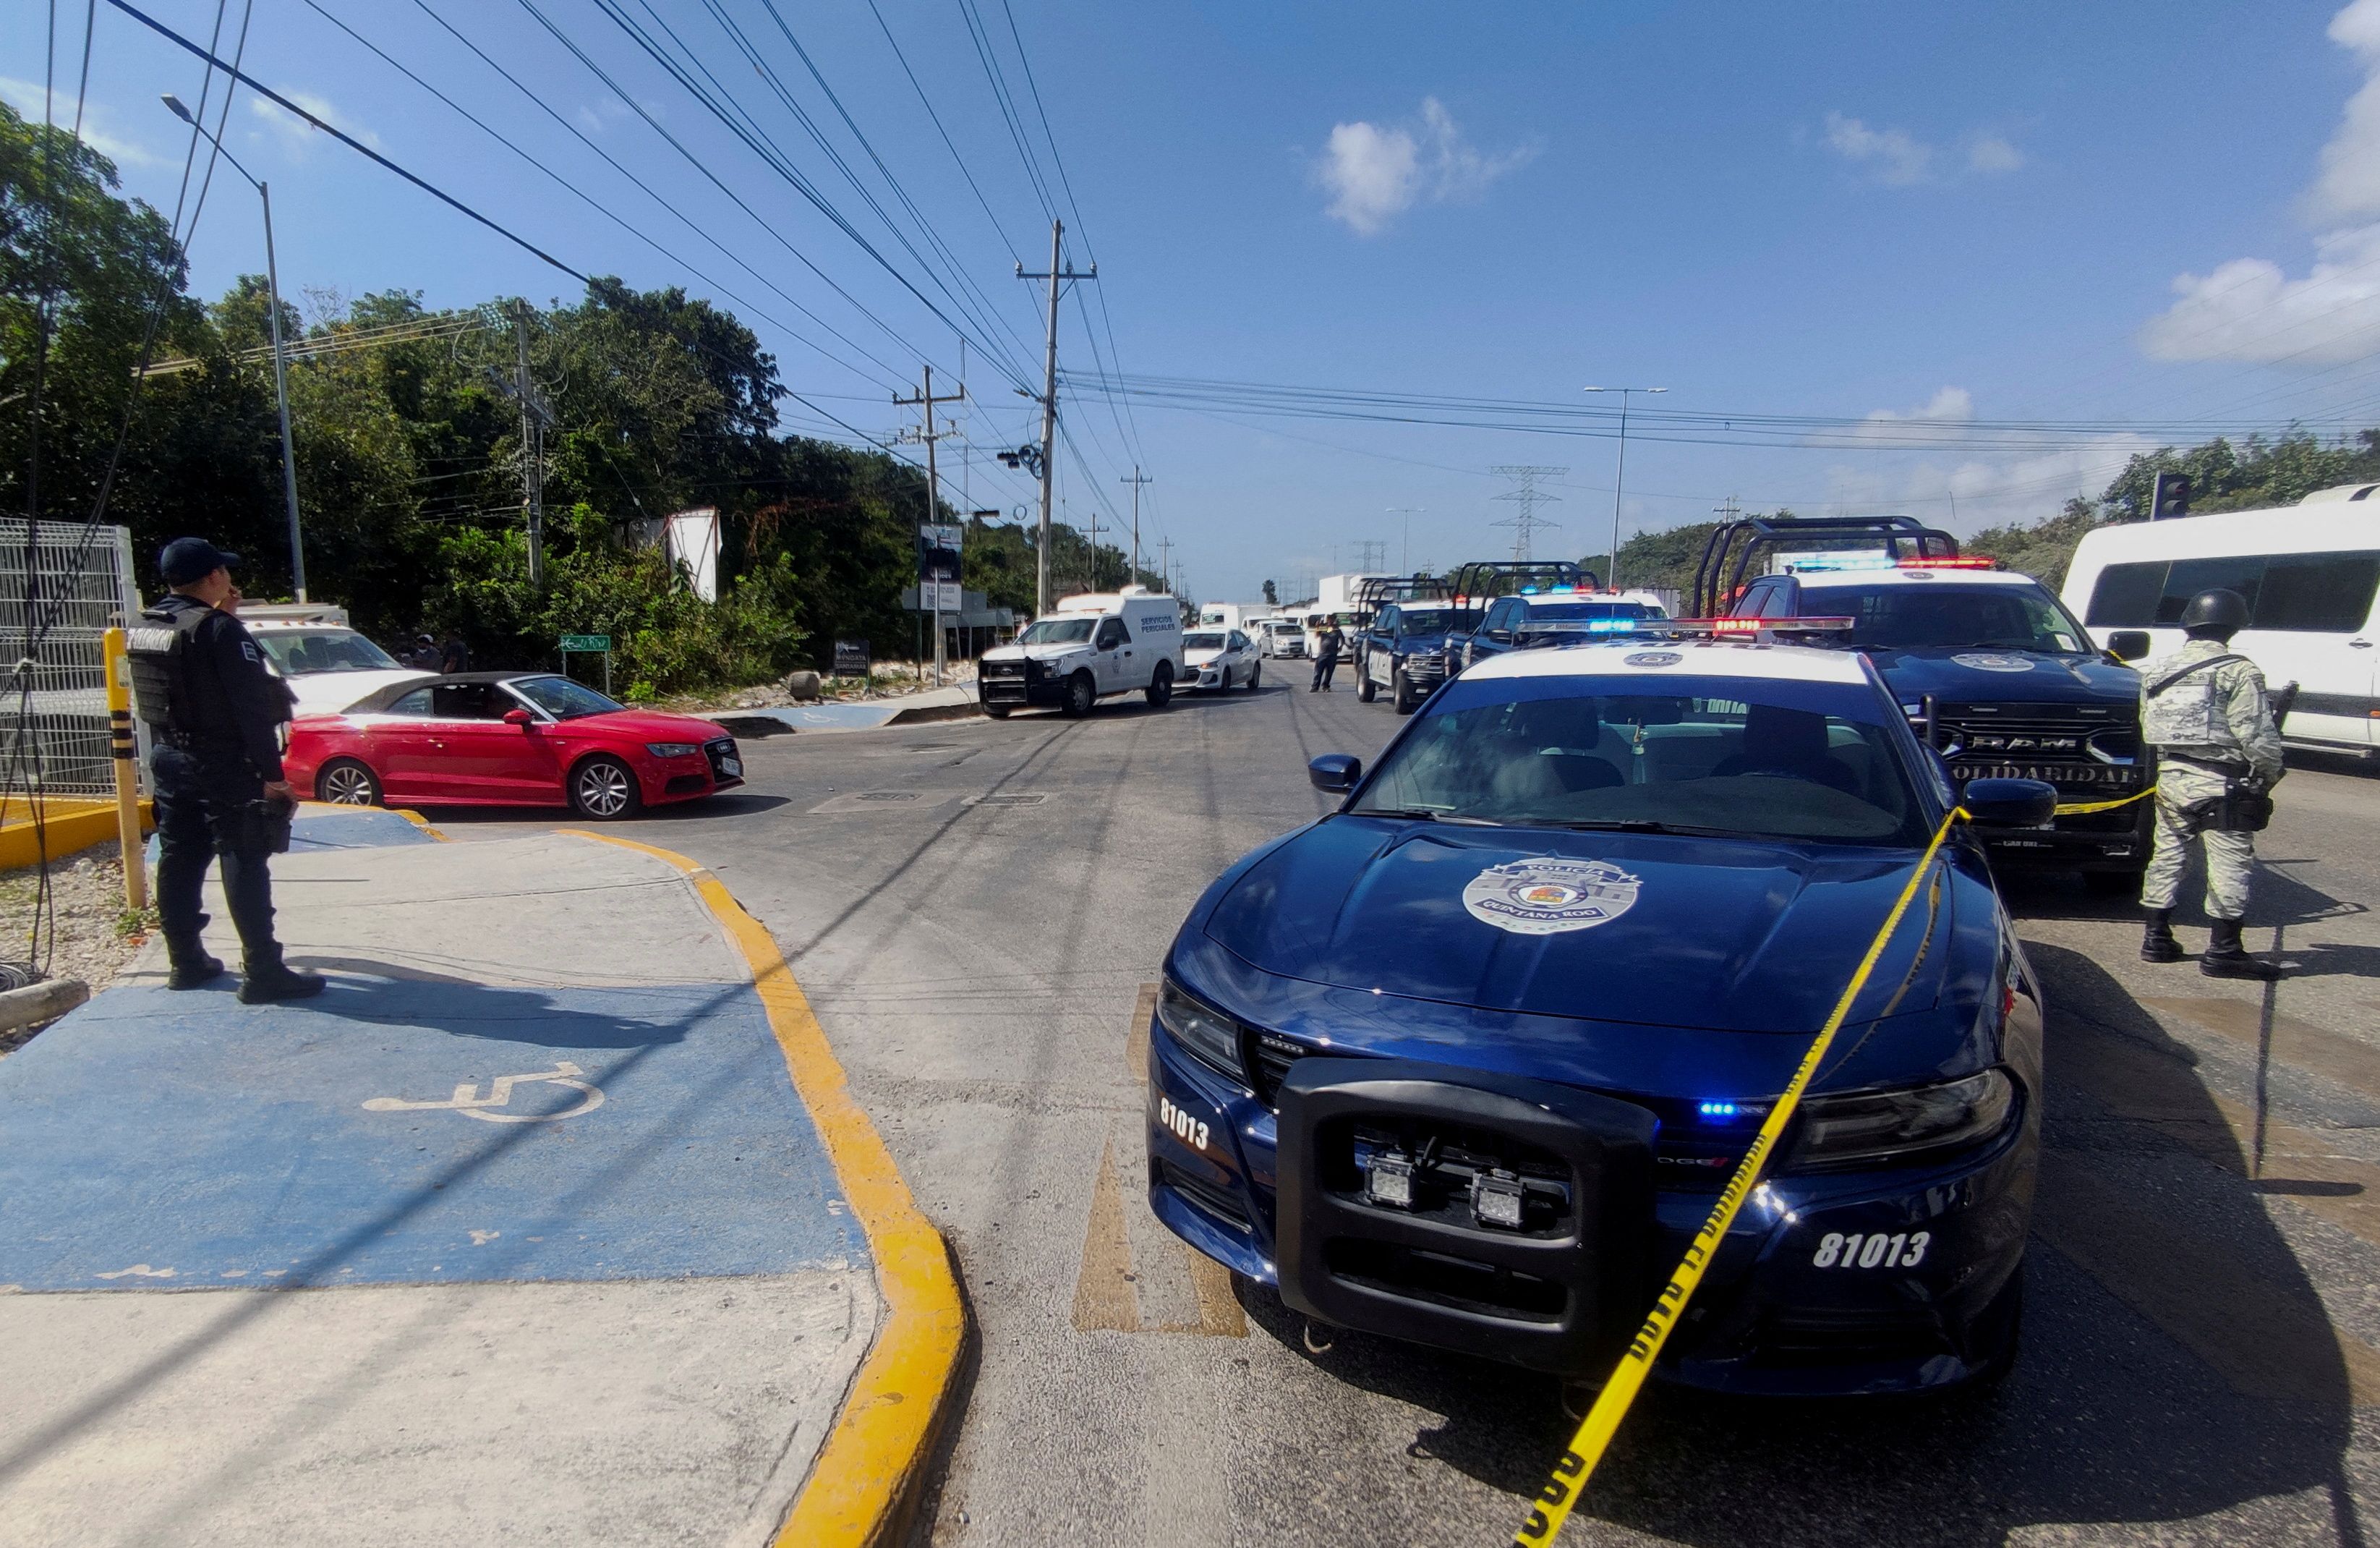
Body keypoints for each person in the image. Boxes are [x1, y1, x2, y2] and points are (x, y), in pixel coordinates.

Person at [126, 538, 325, 1003]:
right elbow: (250, 709)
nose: (230, 581)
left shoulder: (146, 625)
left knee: (180, 856)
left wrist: (226, 618)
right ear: (213, 577)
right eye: (225, 573)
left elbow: (189, 681)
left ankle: (186, 960)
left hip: (171, 757)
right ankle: (263, 970)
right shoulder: (218, 631)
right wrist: (274, 776)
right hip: (223, 763)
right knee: (243, 855)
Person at [2138, 587, 2286, 979]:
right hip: (2224, 784)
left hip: (2171, 778)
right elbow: (2256, 736)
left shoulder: (2157, 671)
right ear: (2234, 626)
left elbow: (2147, 727)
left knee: (2168, 855)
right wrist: (2270, 774)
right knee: (2229, 863)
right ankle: (2224, 951)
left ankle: (2156, 938)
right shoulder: (2238, 671)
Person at [1310, 621, 1344, 692]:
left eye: (1331, 620)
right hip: (1322, 655)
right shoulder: (1323, 629)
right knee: (1318, 672)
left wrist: (1340, 647)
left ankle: (1326, 686)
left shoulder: (1337, 630)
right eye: (1328, 620)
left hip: (1332, 655)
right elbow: (1316, 635)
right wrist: (1317, 627)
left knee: (1329, 672)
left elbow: (1343, 639)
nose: (1330, 622)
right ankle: (1315, 687)